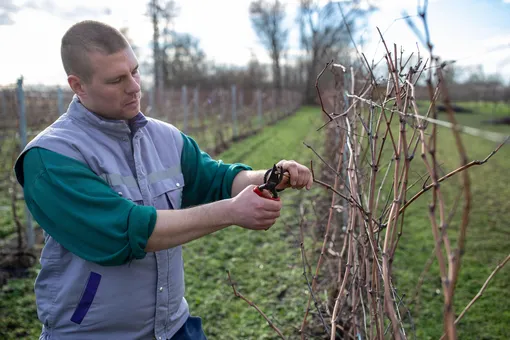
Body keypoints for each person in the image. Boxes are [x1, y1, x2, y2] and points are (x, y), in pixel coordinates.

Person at [13, 20, 313, 340]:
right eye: (116, 79)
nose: (134, 86)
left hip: (172, 327)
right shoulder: (50, 158)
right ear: (78, 85)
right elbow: (125, 231)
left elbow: (218, 179)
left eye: (135, 71)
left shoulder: (165, 138)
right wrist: (231, 212)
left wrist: (270, 177)